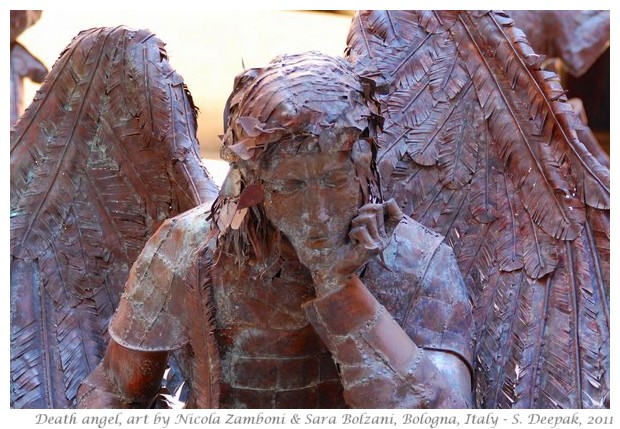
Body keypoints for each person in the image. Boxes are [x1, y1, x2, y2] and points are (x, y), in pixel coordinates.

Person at [76, 51, 474, 409]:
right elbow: (114, 391)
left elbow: (446, 414)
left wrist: (340, 288)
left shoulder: (418, 262)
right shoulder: (189, 248)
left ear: (363, 168)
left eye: (335, 182)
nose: (317, 214)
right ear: (255, 185)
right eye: (293, 187)